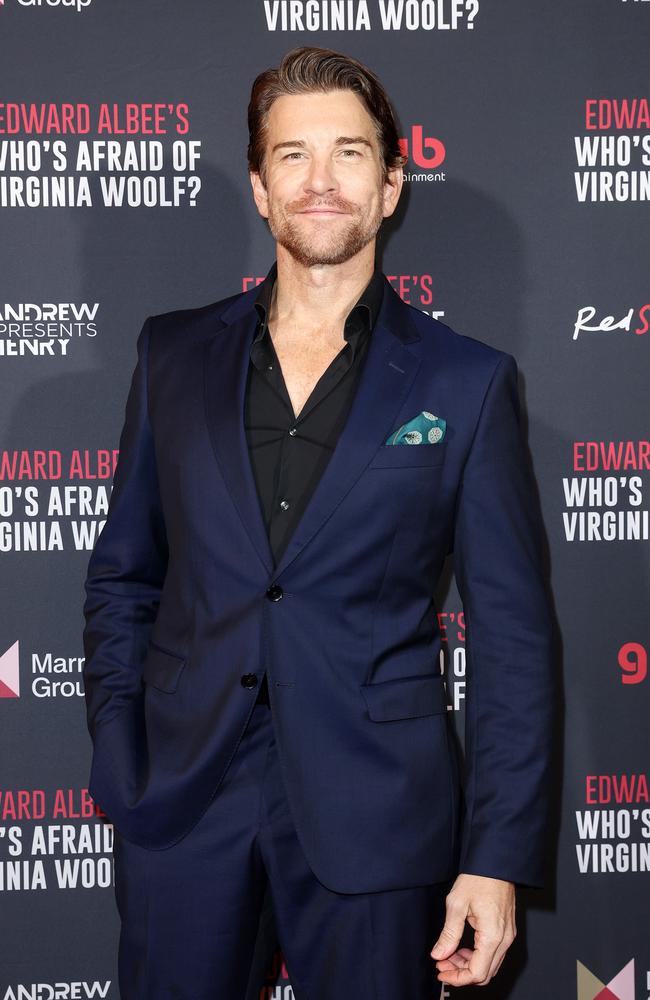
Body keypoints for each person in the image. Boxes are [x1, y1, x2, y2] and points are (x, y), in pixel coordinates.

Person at [82, 45, 555, 999]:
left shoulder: (467, 382)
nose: (321, 181)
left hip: (380, 813)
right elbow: (125, 576)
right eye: (291, 156)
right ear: (260, 188)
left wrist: (495, 859)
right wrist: (121, 746)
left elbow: (511, 638)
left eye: (349, 152)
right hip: (183, 804)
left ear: (391, 185)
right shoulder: (172, 354)